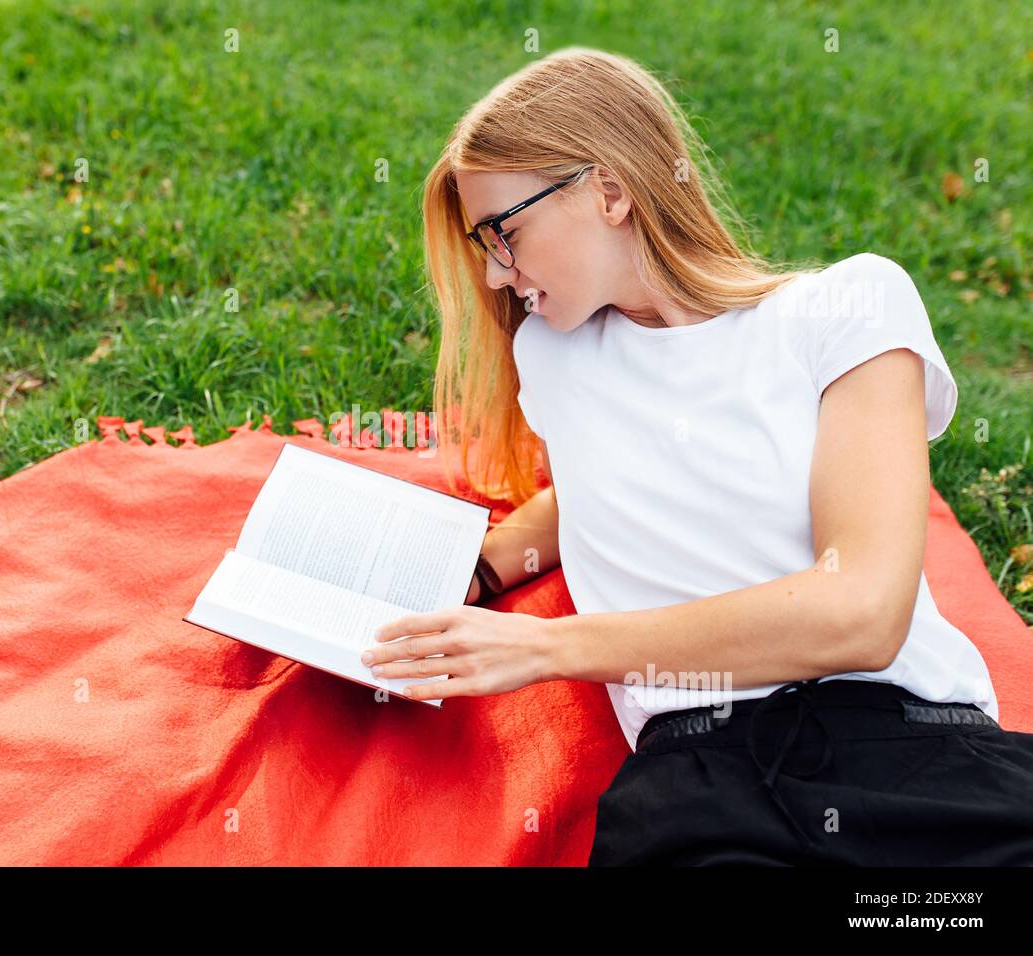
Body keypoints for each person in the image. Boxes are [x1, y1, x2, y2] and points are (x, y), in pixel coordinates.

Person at [360, 46, 1033, 865]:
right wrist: (480, 568)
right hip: (700, 779)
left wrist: (545, 648)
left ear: (610, 191)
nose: (499, 276)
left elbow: (862, 613)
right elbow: (605, 484)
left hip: (912, 749)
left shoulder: (847, 306)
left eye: (505, 233)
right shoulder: (553, 353)